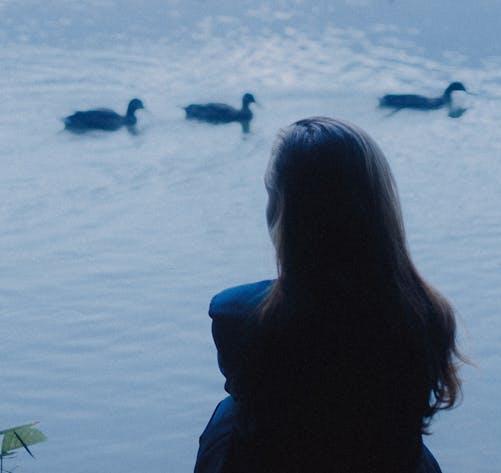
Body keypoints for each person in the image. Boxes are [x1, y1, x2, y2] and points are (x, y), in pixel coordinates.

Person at [195, 117, 462, 473]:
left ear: (285, 211)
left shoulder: (241, 318)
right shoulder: (425, 316)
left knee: (231, 416)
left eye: (270, 194)